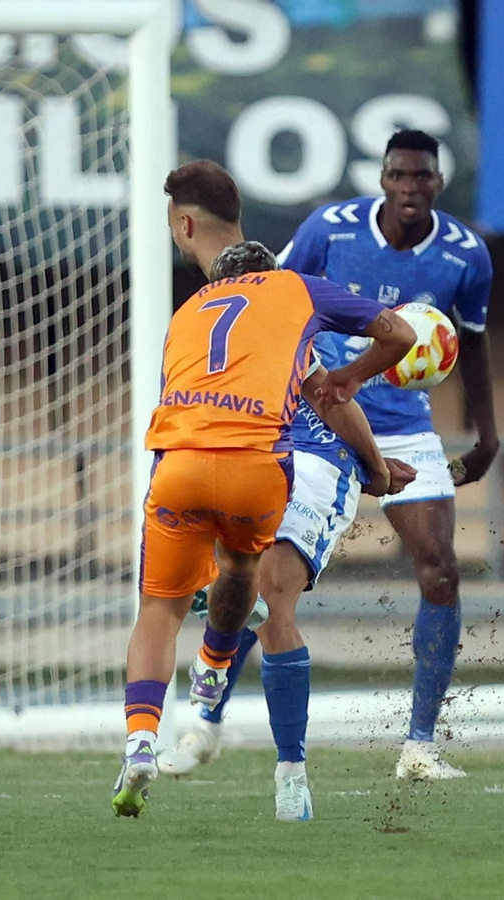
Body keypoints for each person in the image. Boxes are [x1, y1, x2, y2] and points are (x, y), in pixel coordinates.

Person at [112, 160, 416, 817]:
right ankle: (214, 685)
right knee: (244, 576)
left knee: (212, 600)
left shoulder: (203, 313)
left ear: (186, 228)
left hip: (237, 461)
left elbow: (321, 397)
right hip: (257, 461)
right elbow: (384, 345)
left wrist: (370, 463)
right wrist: (376, 461)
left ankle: (244, 762)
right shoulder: (282, 298)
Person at [276, 128, 497, 780]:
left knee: (441, 568)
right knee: (268, 569)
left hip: (404, 423)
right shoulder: (330, 230)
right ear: (382, 178)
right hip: (321, 416)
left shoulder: (465, 254)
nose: (409, 187)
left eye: (421, 176)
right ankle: (208, 714)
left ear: (438, 182)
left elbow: (473, 340)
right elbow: (274, 302)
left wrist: (488, 433)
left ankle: (420, 747)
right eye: (398, 175)